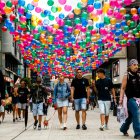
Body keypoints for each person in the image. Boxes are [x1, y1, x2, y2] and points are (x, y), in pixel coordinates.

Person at [119, 59, 140, 139]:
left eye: (137, 65)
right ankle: (138, 133)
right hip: (130, 99)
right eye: (134, 65)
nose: (136, 66)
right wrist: (120, 99)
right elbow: (123, 88)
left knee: (130, 117)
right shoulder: (126, 75)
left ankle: (123, 129)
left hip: (138, 99)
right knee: (137, 114)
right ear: (130, 66)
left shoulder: (138, 75)